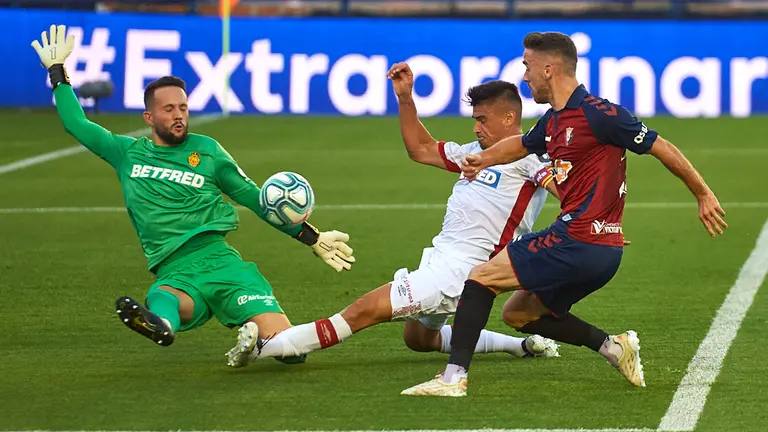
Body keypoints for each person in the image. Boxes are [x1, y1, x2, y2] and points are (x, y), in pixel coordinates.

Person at [401, 31, 728, 397]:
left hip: (577, 240)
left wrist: (703, 193)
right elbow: (521, 146)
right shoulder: (553, 121)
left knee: (480, 278)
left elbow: (660, 146)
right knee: (519, 314)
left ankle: (453, 378)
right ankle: (613, 347)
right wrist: (481, 158)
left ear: (549, 68)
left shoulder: (599, 113)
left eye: (527, 67)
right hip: (602, 251)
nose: (524, 75)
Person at [30, 25, 355, 361]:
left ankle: (259, 345)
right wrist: (57, 73)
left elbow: (255, 199)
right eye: (169, 109)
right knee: (165, 299)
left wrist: (311, 237)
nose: (179, 115)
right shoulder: (126, 153)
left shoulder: (208, 152)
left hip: (221, 260)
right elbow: (77, 124)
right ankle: (161, 327)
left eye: (183, 108)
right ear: (149, 116)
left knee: (292, 351)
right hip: (174, 269)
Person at [225, 62, 561, 369]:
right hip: (437, 261)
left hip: (466, 271)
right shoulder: (474, 152)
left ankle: (266, 346)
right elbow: (421, 149)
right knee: (419, 340)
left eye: (481, 120)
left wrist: (586, 227)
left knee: (363, 310)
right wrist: (405, 99)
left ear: (508, 119)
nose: (475, 128)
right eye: (474, 119)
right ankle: (522, 347)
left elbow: (569, 192)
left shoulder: (530, 160)